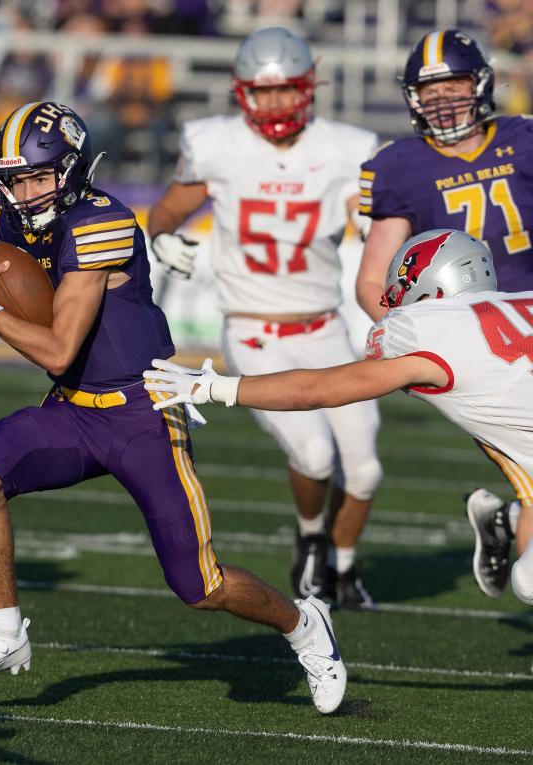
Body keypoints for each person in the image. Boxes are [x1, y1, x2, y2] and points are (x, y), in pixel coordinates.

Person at [0, 101, 347, 714]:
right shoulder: (18, 225)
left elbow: (56, 349)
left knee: (199, 586)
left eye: (39, 178)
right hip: (76, 411)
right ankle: (4, 631)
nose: (26, 194)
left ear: (73, 170)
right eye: (15, 180)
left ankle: (304, 626)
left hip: (144, 412)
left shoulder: (99, 222)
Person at [145, 229, 533, 608]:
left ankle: (512, 518)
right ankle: (513, 518)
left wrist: (216, 388)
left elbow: (317, 391)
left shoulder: (430, 330)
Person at [147, 26, 382, 608]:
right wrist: (161, 235)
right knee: (315, 454)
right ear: (241, 91)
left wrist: (374, 228)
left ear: (309, 87)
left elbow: (366, 213)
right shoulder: (216, 143)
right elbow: (170, 206)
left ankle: (343, 567)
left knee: (366, 468)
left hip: (325, 326)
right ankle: (309, 541)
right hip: (254, 329)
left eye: (286, 91)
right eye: (262, 91)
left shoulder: (345, 147)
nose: (275, 104)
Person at [354, 28, 533, 593]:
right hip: (482, 346)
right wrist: (407, 335)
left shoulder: (523, 139)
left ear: (479, 84)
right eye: (429, 91)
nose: (443, 101)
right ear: (412, 99)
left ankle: (503, 521)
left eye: (453, 85)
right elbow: (374, 279)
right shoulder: (400, 165)